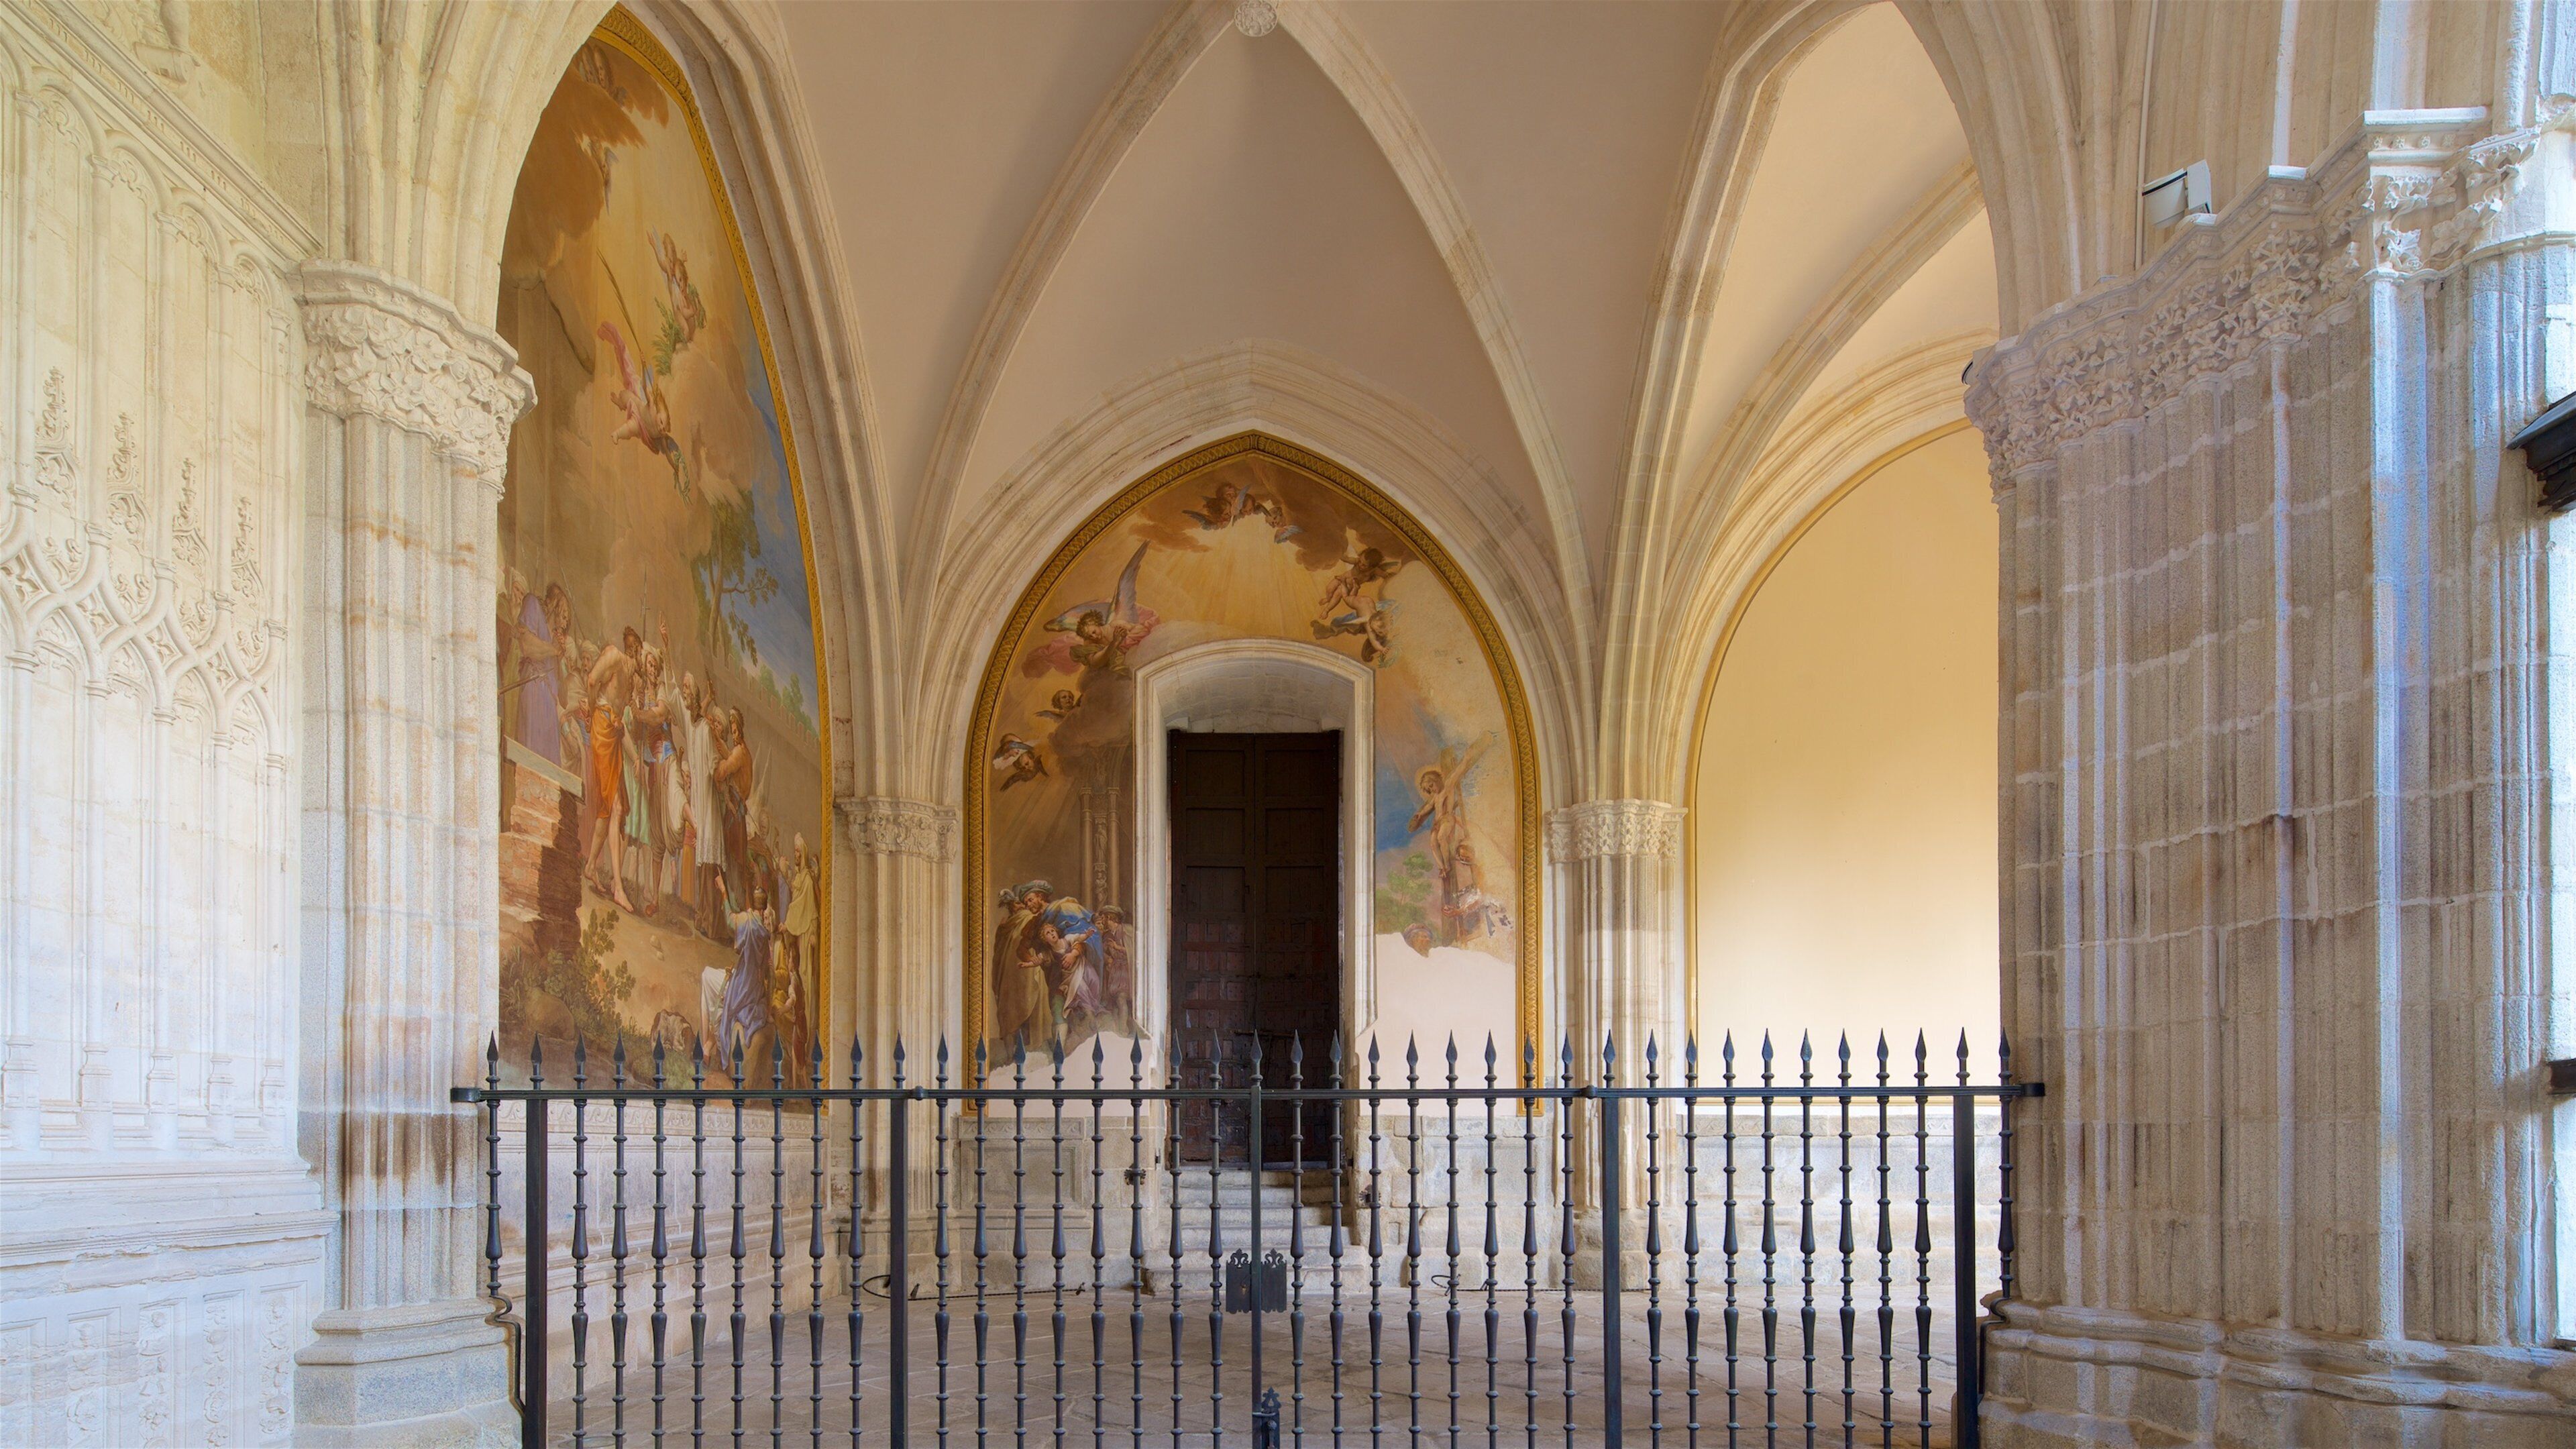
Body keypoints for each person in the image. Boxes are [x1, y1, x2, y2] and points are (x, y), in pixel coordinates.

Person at [584, 626, 643, 911]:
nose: (636, 674)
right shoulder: (615, 658)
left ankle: (591, 866)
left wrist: (636, 759)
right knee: (615, 808)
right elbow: (592, 678)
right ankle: (618, 887)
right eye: (639, 661)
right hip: (602, 729)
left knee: (610, 810)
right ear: (633, 653)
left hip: (613, 733)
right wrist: (595, 710)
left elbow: (622, 726)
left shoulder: (628, 681)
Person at [780, 834, 816, 989]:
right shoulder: (800, 876)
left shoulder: (807, 879)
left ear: (803, 854)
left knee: (804, 971)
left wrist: (787, 925)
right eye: (795, 851)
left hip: (806, 930)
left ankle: (808, 1009)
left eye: (797, 852)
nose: (795, 855)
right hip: (799, 928)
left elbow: (800, 906)